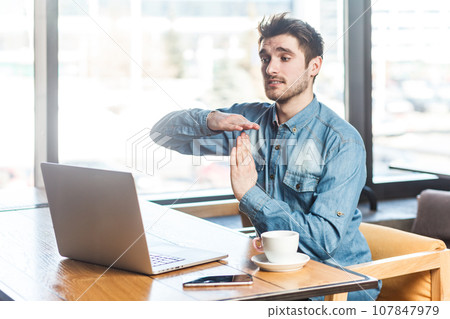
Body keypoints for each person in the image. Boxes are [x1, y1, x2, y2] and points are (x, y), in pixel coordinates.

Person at [150, 12, 381, 301]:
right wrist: (210, 120)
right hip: (272, 273)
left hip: (337, 284)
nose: (270, 68)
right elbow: (162, 134)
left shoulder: (341, 141)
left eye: (284, 57)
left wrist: (250, 194)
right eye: (264, 58)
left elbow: (323, 243)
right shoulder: (248, 120)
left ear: (314, 66)